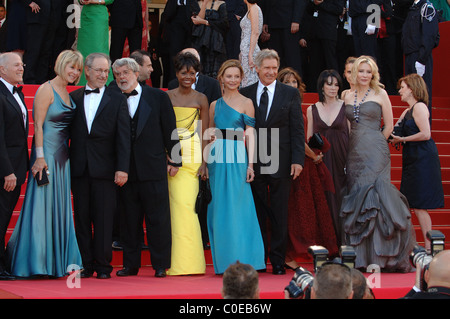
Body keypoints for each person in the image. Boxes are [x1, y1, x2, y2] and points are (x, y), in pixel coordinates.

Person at [7, 50, 84, 278]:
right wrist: (39, 157)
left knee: (59, 206)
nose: (75, 72)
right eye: (71, 67)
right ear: (61, 65)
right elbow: (38, 125)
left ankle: (55, 261)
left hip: (63, 157)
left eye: (78, 69)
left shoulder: (68, 92)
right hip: (46, 156)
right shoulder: (46, 89)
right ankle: (37, 261)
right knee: (42, 205)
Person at [341, 55, 416, 272]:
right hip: (354, 152)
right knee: (357, 198)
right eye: (361, 71)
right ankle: (360, 256)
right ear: (354, 72)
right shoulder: (346, 95)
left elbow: (389, 126)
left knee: (376, 198)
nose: (365, 75)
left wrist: (376, 144)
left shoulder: (380, 93)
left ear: (373, 74)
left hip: (375, 151)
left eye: (368, 71)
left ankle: (383, 257)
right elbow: (346, 127)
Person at [111, 58, 180, 278]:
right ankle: (131, 265)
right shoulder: (112, 98)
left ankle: (161, 264)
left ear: (136, 73)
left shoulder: (158, 97)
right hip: (124, 170)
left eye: (125, 73)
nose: (122, 77)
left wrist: (176, 159)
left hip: (152, 167)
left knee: (158, 219)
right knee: (129, 220)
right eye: (118, 74)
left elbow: (171, 129)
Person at [240, 49, 305, 275]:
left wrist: (298, 160)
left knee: (279, 213)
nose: (271, 72)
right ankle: (258, 260)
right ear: (256, 68)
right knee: (256, 212)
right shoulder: (245, 93)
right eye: (266, 68)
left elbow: (297, 129)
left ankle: (277, 261)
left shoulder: (289, 93)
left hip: (281, 159)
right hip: (254, 160)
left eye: (274, 68)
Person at [69, 52, 130, 279]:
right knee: (82, 219)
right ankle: (85, 264)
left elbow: (123, 138)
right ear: (87, 71)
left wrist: (122, 168)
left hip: (106, 169)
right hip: (80, 168)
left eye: (107, 71)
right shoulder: (73, 98)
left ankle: (103, 266)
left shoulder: (117, 99)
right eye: (99, 70)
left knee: (104, 220)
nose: (104, 75)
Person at [207, 59, 265, 275]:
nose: (232, 80)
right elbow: (211, 132)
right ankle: (225, 262)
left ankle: (247, 259)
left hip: (238, 156)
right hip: (217, 159)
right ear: (221, 77)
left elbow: (250, 134)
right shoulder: (214, 105)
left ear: (241, 79)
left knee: (241, 206)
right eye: (228, 76)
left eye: (236, 76)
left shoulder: (246, 102)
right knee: (220, 208)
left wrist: (250, 164)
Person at [279, 67, 337, 269]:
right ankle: (289, 255)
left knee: (306, 210)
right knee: (295, 211)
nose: (292, 85)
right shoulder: (282, 106)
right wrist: (314, 155)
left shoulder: (297, 104)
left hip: (304, 163)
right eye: (287, 82)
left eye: (294, 82)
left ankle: (306, 252)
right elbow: (295, 138)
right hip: (292, 163)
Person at [166, 52, 208, 276]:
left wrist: (204, 163)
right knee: (174, 210)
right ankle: (176, 262)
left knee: (187, 209)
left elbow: (205, 133)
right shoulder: (168, 97)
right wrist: (168, 156)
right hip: (172, 155)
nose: (188, 77)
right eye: (184, 73)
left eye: (192, 73)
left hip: (192, 157)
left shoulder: (201, 98)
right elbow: (164, 130)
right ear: (176, 73)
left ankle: (190, 263)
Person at [390, 74, 444, 252]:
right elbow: (394, 130)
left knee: (420, 205)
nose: (400, 91)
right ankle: (416, 245)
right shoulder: (407, 111)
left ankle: (429, 247)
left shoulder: (420, 107)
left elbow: (426, 133)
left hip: (423, 160)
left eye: (403, 87)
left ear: (412, 89)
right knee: (410, 202)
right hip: (412, 159)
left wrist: (403, 138)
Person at [306, 70, 349, 248]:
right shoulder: (312, 109)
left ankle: (344, 242)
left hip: (342, 157)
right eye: (329, 84)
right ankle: (328, 244)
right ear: (322, 86)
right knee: (325, 198)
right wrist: (314, 157)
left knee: (342, 196)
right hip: (321, 160)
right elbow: (308, 138)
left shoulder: (346, 106)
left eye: (336, 84)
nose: (333, 88)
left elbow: (352, 134)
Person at [0, 52, 29, 280]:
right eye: (17, 65)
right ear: (2, 69)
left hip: (17, 169)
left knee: (5, 216)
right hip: (6, 171)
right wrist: (7, 171)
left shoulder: (15, 92)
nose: (22, 68)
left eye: (22, 64)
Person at [402, 0, 440, 118]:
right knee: (412, 95)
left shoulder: (427, 8)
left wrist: (421, 60)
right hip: (410, 55)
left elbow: (430, 36)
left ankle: (423, 130)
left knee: (421, 95)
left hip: (419, 56)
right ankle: (413, 128)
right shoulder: (413, 8)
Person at [300, 0, 345, 92]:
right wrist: (314, 3)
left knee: (330, 62)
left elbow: (339, 9)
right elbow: (308, 10)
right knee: (314, 65)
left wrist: (321, 4)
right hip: (314, 33)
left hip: (328, 32)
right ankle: (314, 91)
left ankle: (335, 89)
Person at [22, 0, 68, 84]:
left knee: (46, 51)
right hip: (37, 16)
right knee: (34, 50)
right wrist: (29, 2)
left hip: (52, 19)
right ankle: (29, 79)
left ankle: (41, 79)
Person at [260, 0, 306, 75]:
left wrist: (296, 20)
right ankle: (277, 82)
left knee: (292, 58)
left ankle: (295, 83)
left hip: (290, 24)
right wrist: (266, 21)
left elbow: (300, 2)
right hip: (273, 23)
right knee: (276, 57)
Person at [77, 0, 115, 86]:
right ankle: (82, 82)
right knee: (83, 50)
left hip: (98, 16)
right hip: (85, 14)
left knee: (98, 49)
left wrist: (95, 1)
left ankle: (102, 81)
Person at [163, 0, 201, 82]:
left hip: (190, 35)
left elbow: (197, 13)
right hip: (175, 36)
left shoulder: (192, 1)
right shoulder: (172, 2)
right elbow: (167, 15)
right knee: (174, 60)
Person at [191, 0, 229, 78]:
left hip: (215, 41)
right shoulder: (197, 4)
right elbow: (197, 20)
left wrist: (205, 22)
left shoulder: (221, 4)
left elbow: (224, 24)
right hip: (200, 40)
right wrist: (204, 3)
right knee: (200, 66)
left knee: (215, 69)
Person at [239, 0, 263, 88]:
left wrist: (250, 54)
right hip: (246, 49)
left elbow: (255, 32)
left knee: (250, 80)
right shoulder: (251, 9)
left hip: (250, 49)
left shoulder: (254, 8)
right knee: (245, 79)